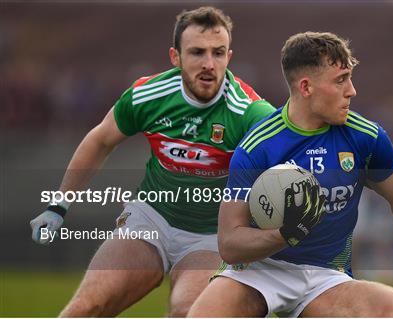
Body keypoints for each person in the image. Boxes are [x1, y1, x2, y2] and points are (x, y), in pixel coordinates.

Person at [188, 31, 393, 317]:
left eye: (349, 78)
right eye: (340, 81)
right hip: (256, 270)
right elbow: (229, 244)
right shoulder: (258, 147)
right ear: (306, 87)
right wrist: (285, 234)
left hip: (325, 275)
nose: (351, 90)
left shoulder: (366, 137)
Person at [29, 6, 275, 317]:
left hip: (213, 237)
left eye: (218, 53)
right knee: (84, 308)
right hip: (151, 220)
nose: (209, 64)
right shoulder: (149, 94)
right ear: (176, 57)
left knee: (186, 311)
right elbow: (100, 139)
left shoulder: (251, 112)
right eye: (197, 52)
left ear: (229, 56)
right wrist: (58, 205)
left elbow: (286, 167)